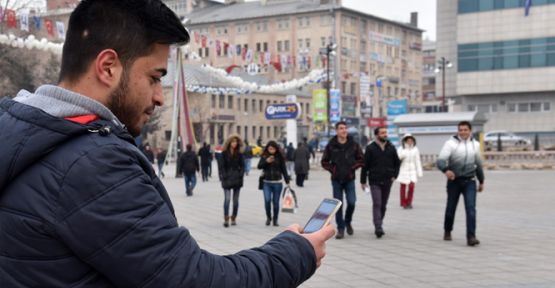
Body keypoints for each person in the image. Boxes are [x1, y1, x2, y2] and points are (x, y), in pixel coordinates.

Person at [0, 1, 335, 286]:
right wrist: (296, 253)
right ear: (107, 68)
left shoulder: (24, 128)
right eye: (154, 78)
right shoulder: (92, 164)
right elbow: (194, 279)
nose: (160, 97)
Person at [437, 121, 485, 247]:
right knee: (450, 208)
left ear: (470, 130)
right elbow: (440, 160)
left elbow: (478, 164)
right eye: (461, 130)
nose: (463, 132)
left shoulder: (475, 144)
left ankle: (471, 236)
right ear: (458, 131)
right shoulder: (450, 143)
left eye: (465, 130)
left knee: (471, 209)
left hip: (470, 181)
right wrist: (446, 170)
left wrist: (482, 181)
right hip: (454, 181)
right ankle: (447, 230)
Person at [321, 121, 364, 239]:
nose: (344, 130)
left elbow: (361, 159)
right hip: (336, 180)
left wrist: (352, 168)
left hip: (349, 179)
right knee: (338, 205)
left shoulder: (353, 144)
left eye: (345, 128)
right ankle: (340, 228)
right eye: (341, 128)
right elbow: (324, 162)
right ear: (337, 131)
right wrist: (333, 169)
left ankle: (348, 221)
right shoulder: (331, 145)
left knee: (351, 202)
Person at [361, 127, 400, 239]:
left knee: (383, 205)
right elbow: (365, 166)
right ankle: (378, 226)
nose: (385, 134)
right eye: (382, 133)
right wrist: (363, 181)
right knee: (377, 203)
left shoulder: (391, 148)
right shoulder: (370, 148)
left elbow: (397, 163)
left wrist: (394, 175)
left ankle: (379, 222)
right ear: (377, 135)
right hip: (374, 180)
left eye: (385, 132)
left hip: (388, 180)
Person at [258, 140, 291, 226]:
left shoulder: (280, 157)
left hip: (277, 183)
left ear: (276, 149)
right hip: (266, 183)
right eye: (270, 149)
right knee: (267, 201)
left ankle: (275, 219)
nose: (271, 150)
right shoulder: (264, 156)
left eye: (273, 149)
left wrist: (287, 181)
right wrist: (266, 161)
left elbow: (284, 169)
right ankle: (269, 217)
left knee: (275, 202)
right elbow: (259, 166)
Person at [218, 135, 245, 227]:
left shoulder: (240, 153)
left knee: (236, 200)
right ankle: (226, 218)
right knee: (227, 199)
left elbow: (243, 166)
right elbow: (221, 166)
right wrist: (223, 176)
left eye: (236, 142)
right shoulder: (224, 153)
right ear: (229, 142)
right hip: (227, 179)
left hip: (237, 179)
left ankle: (233, 217)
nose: (234, 143)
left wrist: (240, 174)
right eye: (233, 141)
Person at [396, 134, 423, 209]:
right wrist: (403, 154)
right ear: (405, 141)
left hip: (412, 171)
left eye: (411, 140)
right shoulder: (401, 149)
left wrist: (419, 171)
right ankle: (403, 203)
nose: (410, 142)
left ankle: (409, 202)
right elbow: (397, 158)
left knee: (411, 187)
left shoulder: (415, 149)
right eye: (408, 140)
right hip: (403, 170)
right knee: (403, 188)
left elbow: (417, 160)